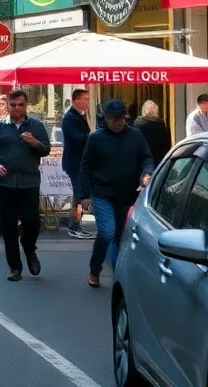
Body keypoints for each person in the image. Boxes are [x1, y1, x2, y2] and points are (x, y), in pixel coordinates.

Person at [78, 98, 154, 288]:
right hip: (102, 194)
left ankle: (118, 272)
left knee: (120, 236)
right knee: (107, 232)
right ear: (107, 119)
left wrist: (147, 172)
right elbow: (85, 167)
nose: (119, 122)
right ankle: (97, 269)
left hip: (127, 195)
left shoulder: (136, 136)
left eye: (122, 118)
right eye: (115, 119)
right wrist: (85, 195)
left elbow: (147, 158)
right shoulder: (96, 138)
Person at [0, 89, 51, 281]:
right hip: (5, 183)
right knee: (8, 226)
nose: (17, 109)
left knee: (32, 222)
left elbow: (46, 149)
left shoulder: (36, 126)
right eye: (13, 105)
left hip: (29, 181)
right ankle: (15, 267)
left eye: (20, 105)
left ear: (25, 105)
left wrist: (34, 142)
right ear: (7, 106)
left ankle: (29, 249)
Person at [60, 88, 94, 239]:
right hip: (75, 162)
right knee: (78, 194)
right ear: (76, 100)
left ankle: (75, 223)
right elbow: (75, 138)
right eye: (85, 99)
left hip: (80, 162)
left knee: (79, 194)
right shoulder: (70, 117)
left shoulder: (79, 115)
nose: (88, 102)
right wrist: (91, 136)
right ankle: (74, 226)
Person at [133, 100, 171, 166]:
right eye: (156, 113)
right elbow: (167, 144)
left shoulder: (136, 125)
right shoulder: (160, 125)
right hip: (157, 161)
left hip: (141, 162)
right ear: (152, 113)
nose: (157, 115)